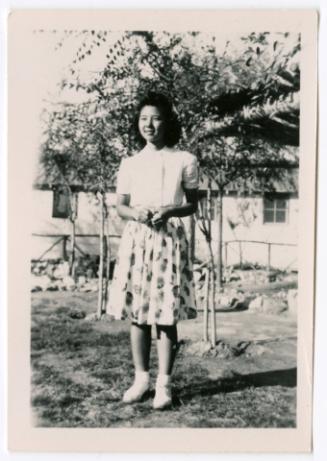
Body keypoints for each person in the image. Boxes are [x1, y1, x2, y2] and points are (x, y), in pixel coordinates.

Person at [107, 92, 198, 410]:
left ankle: (164, 385)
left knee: (167, 315)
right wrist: (137, 213)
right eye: (144, 118)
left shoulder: (184, 160)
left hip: (168, 242)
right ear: (138, 123)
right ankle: (141, 378)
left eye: (156, 117)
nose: (149, 123)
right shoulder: (130, 163)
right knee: (139, 314)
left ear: (167, 121)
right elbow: (121, 206)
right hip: (138, 242)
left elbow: (191, 204)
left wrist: (169, 210)